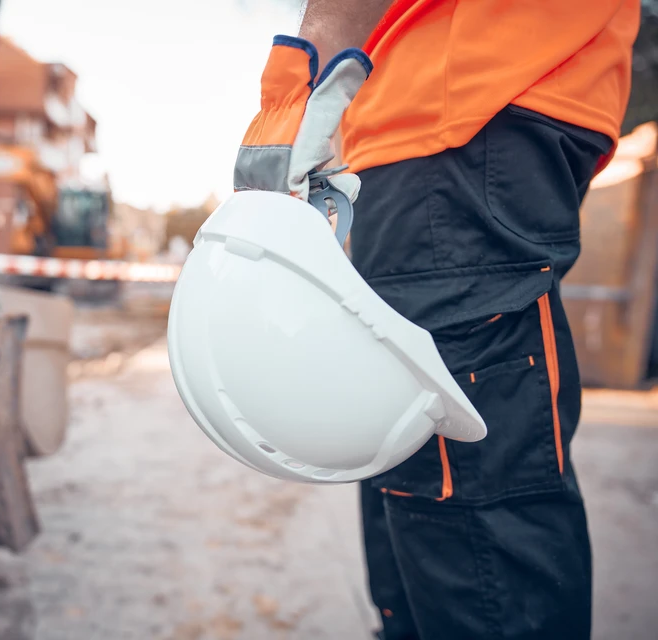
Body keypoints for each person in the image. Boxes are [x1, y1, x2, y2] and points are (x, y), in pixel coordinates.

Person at [233, 1, 641, 638]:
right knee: (413, 472)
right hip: (454, 125)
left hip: (465, 117)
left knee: (465, 503)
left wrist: (302, 75)